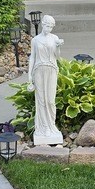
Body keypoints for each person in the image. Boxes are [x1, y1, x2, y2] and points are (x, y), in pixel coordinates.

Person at [28, 15, 64, 145]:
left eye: (51, 27)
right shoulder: (35, 40)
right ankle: (44, 127)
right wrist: (29, 76)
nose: (48, 29)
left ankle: (51, 125)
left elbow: (57, 56)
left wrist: (58, 46)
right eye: (47, 26)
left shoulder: (54, 38)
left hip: (51, 70)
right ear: (42, 24)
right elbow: (32, 57)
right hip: (39, 70)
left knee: (50, 100)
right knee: (41, 100)